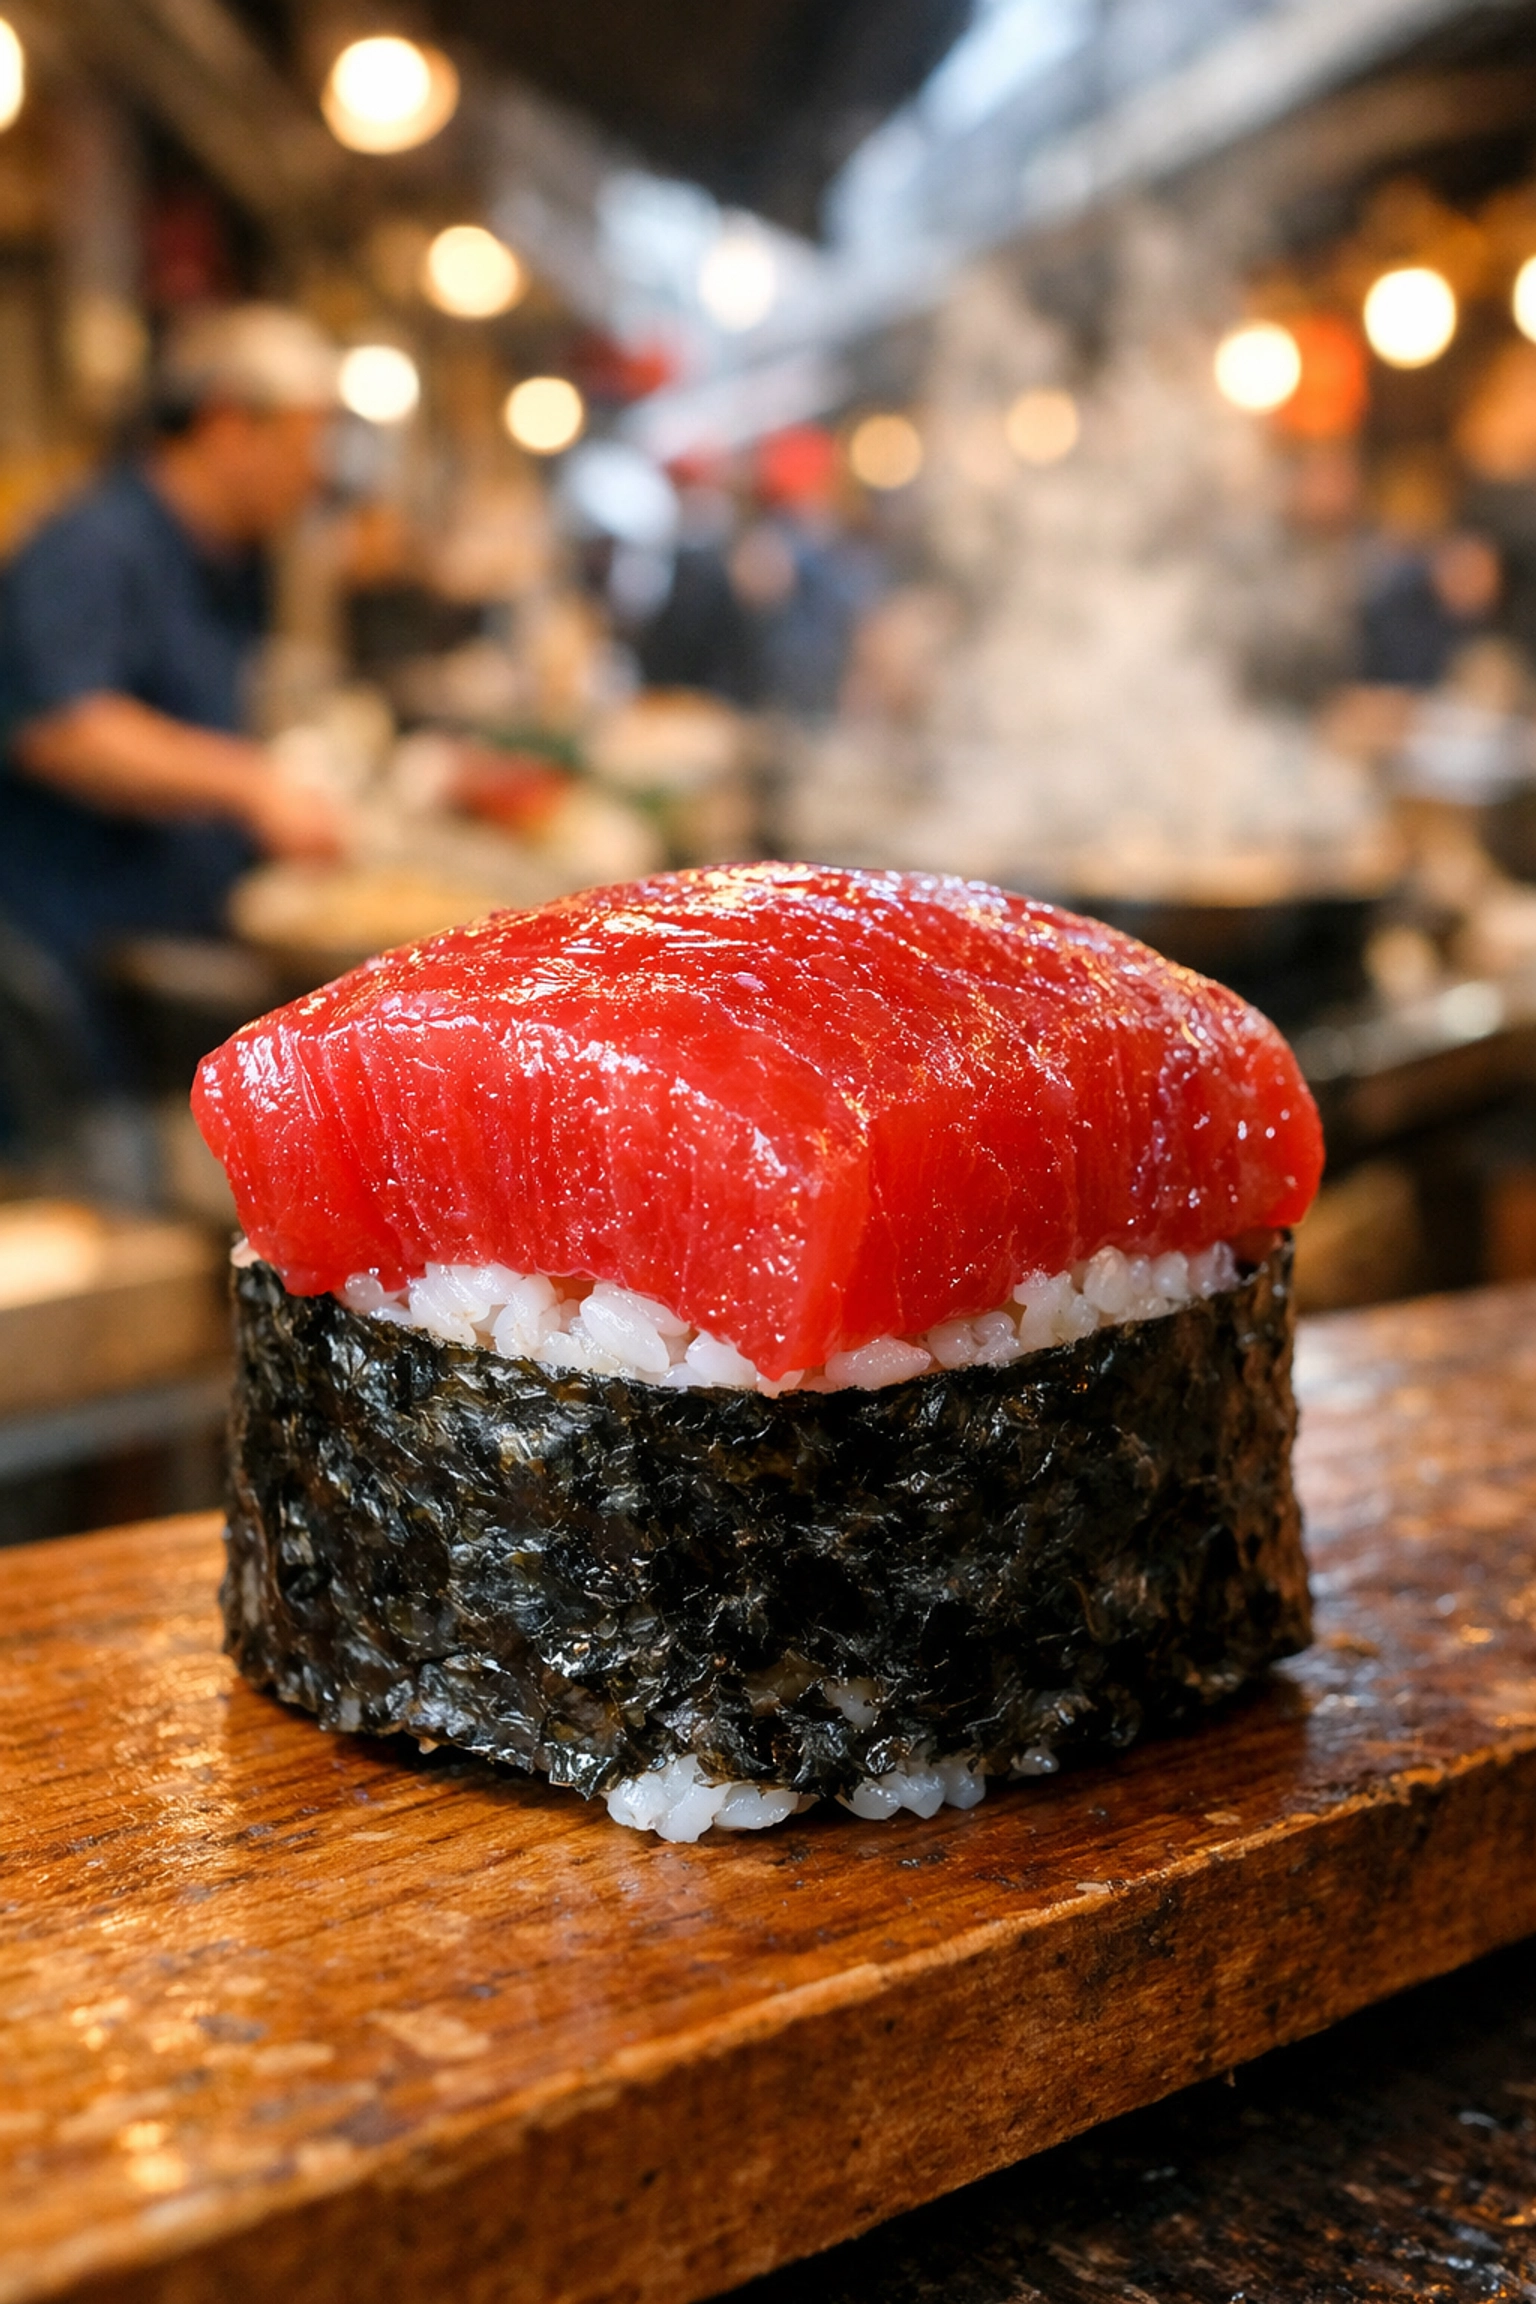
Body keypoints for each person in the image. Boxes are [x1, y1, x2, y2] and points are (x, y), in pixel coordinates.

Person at [0, 304, 348, 1100]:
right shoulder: (92, 545)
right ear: (228, 422)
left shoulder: (230, 561)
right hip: (67, 970)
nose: (318, 469)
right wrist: (252, 784)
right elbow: (65, 730)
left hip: (165, 954)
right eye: (307, 439)